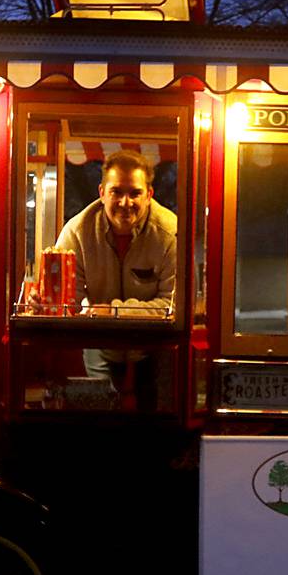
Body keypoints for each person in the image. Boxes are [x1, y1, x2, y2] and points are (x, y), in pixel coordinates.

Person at [54, 150, 177, 403]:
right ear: (101, 193)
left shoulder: (170, 233)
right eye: (116, 192)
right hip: (99, 343)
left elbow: (172, 306)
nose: (125, 202)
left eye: (134, 193)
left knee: (156, 417)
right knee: (101, 416)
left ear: (149, 195)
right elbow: (67, 302)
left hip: (155, 345)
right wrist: (48, 300)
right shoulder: (77, 231)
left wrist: (113, 311)